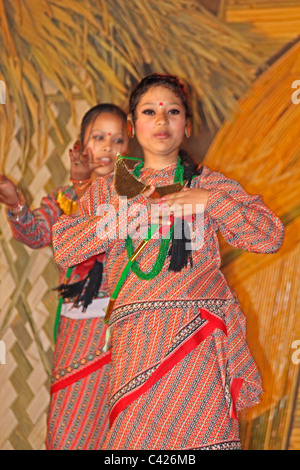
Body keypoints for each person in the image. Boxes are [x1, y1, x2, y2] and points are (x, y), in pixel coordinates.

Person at [52, 74, 284, 450]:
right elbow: (64, 246)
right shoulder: (110, 189)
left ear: (186, 125)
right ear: (133, 125)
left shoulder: (208, 184)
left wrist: (210, 201)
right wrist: (123, 216)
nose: (161, 121)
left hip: (198, 347)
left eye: (172, 112)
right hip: (137, 345)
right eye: (149, 111)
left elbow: (270, 236)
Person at [0, 103, 129, 449]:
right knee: (68, 434)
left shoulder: (136, 199)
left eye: (118, 139)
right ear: (79, 147)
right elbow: (37, 234)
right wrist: (16, 205)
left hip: (127, 332)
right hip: (78, 334)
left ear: (130, 149)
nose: (107, 147)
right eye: (98, 137)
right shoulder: (64, 199)